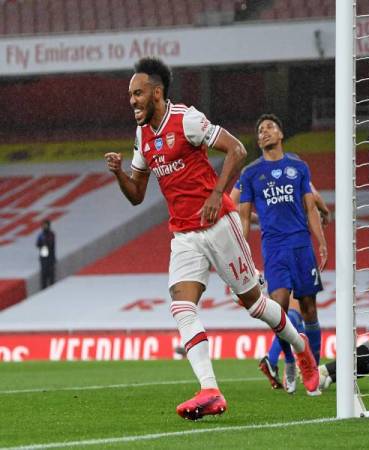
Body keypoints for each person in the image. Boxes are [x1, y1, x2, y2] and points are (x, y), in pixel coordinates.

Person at [104, 57, 320, 421]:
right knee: (181, 307)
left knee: (254, 305)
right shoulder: (142, 136)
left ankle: (301, 350)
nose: (132, 100)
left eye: (138, 93)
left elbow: (236, 149)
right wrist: (119, 174)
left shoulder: (186, 119)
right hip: (184, 235)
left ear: (157, 93)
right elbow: (137, 194)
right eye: (130, 94)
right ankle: (210, 389)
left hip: (218, 225)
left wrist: (215, 193)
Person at [238, 114, 328, 393]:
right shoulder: (250, 173)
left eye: (269, 128)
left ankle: (311, 367)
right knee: (279, 310)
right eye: (260, 129)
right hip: (274, 248)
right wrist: (240, 255)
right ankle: (290, 360)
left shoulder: (298, 167)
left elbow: (310, 206)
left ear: (280, 134)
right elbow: (243, 218)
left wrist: (321, 242)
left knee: (310, 308)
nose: (264, 132)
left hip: (301, 244)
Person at [36, 220, 56, 289]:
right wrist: (43, 244)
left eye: (46, 225)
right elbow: (37, 244)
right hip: (43, 255)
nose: (44, 227)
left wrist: (45, 243)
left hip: (50, 256)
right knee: (43, 274)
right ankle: (43, 288)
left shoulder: (51, 234)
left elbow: (51, 244)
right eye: (43, 225)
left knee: (51, 274)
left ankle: (52, 288)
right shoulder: (41, 235)